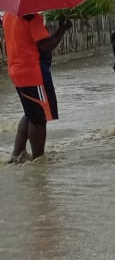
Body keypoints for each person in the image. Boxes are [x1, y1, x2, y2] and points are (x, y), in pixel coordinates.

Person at [5, 11, 71, 163]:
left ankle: (17, 154)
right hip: (32, 72)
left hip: (16, 70)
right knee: (39, 117)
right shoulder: (32, 17)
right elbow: (46, 46)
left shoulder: (10, 15)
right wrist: (62, 29)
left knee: (30, 113)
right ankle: (38, 160)